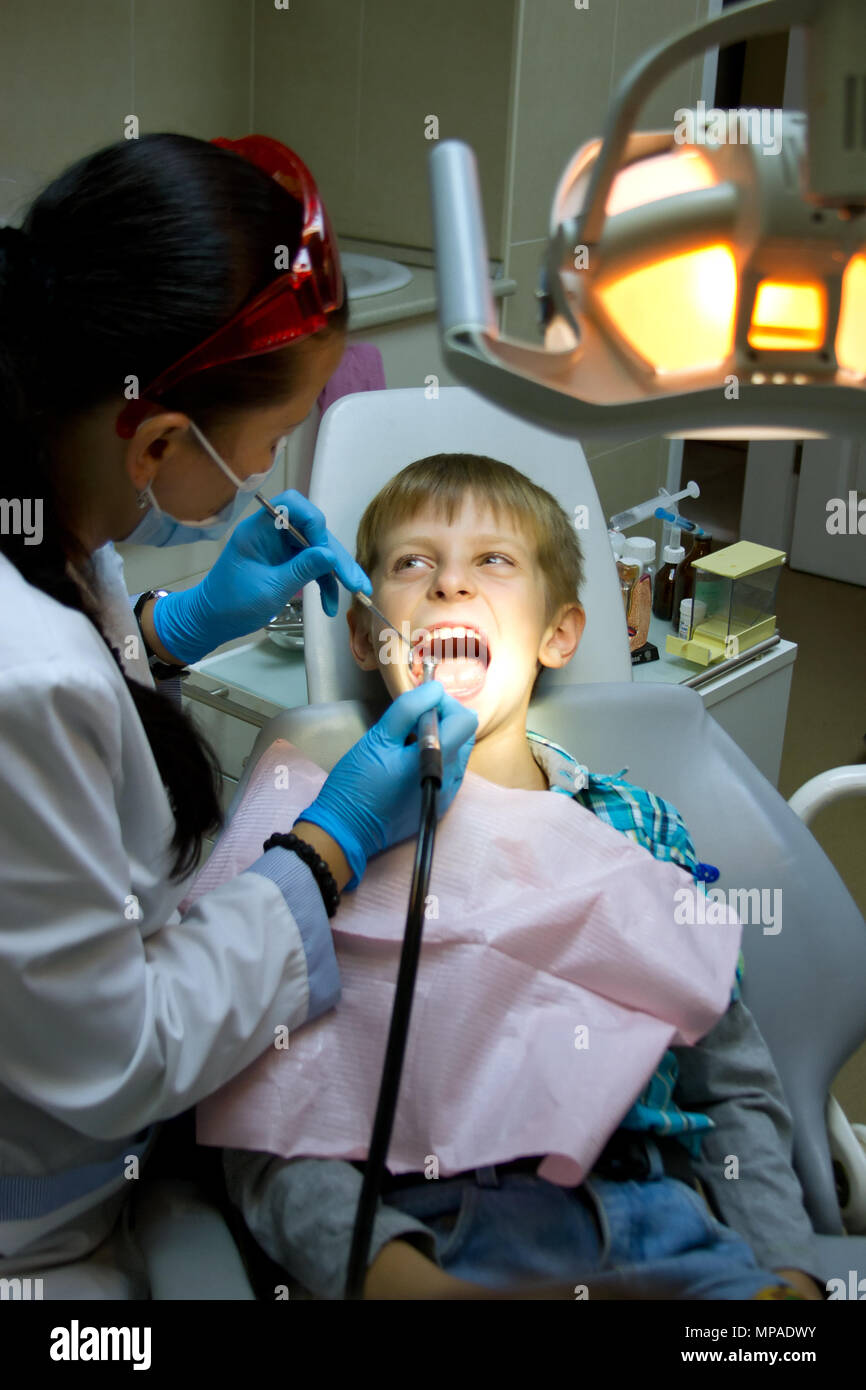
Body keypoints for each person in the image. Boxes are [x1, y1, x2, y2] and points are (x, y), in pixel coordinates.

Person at [0, 134, 476, 1297]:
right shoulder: (30, 680)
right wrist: (326, 848)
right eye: (270, 441)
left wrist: (169, 632)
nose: (272, 468)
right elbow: (121, 1053)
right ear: (160, 440)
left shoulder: (56, 530)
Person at [192, 453, 826, 1301]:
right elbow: (268, 1115)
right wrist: (392, 1271)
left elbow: (730, 1076)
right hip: (432, 1236)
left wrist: (786, 1270)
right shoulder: (311, 843)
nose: (451, 584)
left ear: (559, 633)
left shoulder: (632, 830)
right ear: (364, 632)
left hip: (660, 1220)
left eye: (494, 561)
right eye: (413, 564)